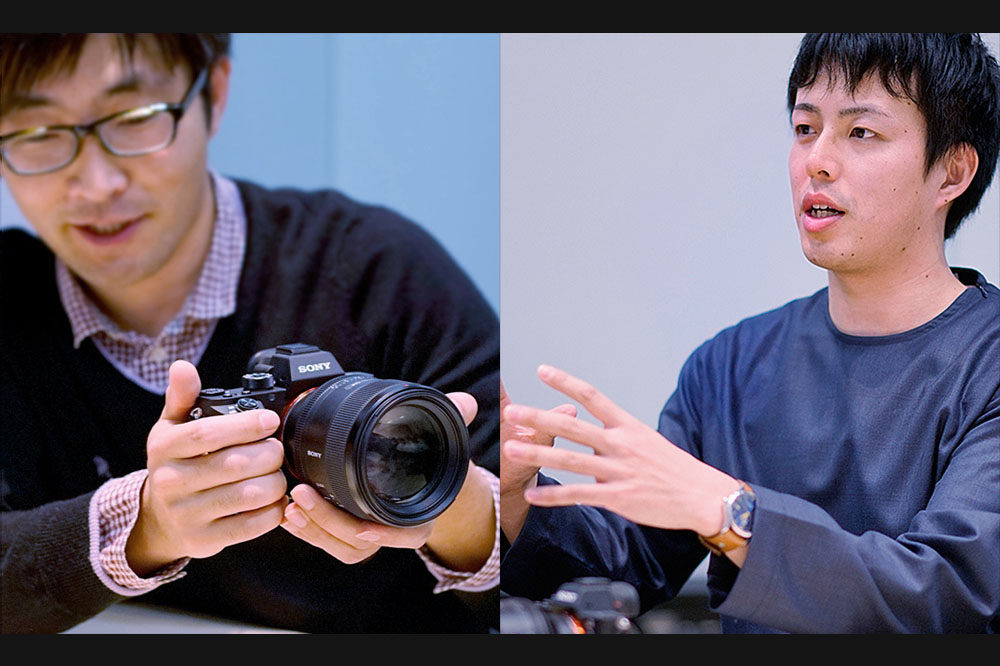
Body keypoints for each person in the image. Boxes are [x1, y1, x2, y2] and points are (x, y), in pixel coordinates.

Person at [499, 33, 1000, 633]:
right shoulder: (729, 368)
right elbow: (624, 567)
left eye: (861, 132)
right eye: (805, 128)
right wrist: (516, 494)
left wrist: (732, 514)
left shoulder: (988, 361)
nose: (817, 161)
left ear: (951, 171)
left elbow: (949, 591)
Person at [0, 33, 500, 633]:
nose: (97, 183)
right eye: (37, 133)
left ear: (213, 93)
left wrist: (451, 506)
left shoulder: (377, 273)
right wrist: (145, 523)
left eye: (134, 118)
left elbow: (556, 571)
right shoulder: (12, 303)